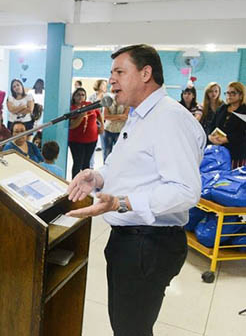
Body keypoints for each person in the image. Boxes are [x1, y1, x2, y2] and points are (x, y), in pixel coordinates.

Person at [66, 44, 206, 336]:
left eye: (119, 71)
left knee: (132, 330)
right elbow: (121, 167)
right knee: (125, 326)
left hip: (149, 244)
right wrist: (96, 177)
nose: (112, 80)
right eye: (111, 73)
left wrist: (122, 203)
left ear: (145, 73)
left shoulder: (168, 118)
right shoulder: (140, 115)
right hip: (130, 241)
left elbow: (185, 190)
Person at [208, 81, 246, 168]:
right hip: (219, 151)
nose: (229, 95)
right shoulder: (222, 108)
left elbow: (243, 134)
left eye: (233, 93)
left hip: (237, 154)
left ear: (241, 95)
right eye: (227, 93)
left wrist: (227, 139)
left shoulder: (244, 111)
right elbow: (212, 125)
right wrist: (210, 136)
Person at [68, 87, 104, 178]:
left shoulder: (90, 105)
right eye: (78, 95)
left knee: (86, 164)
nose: (80, 97)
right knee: (77, 163)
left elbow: (99, 115)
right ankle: (75, 185)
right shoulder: (72, 109)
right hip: (77, 141)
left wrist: (102, 126)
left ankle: (85, 184)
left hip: (92, 140)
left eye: (83, 95)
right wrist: (81, 115)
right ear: (74, 97)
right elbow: (72, 126)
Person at [102, 95, 129, 161]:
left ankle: (118, 170)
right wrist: (120, 116)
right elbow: (106, 116)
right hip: (108, 130)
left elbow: (125, 117)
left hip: (120, 131)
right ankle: (107, 170)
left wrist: (112, 117)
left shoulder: (126, 102)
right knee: (107, 152)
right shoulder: (108, 102)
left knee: (120, 152)